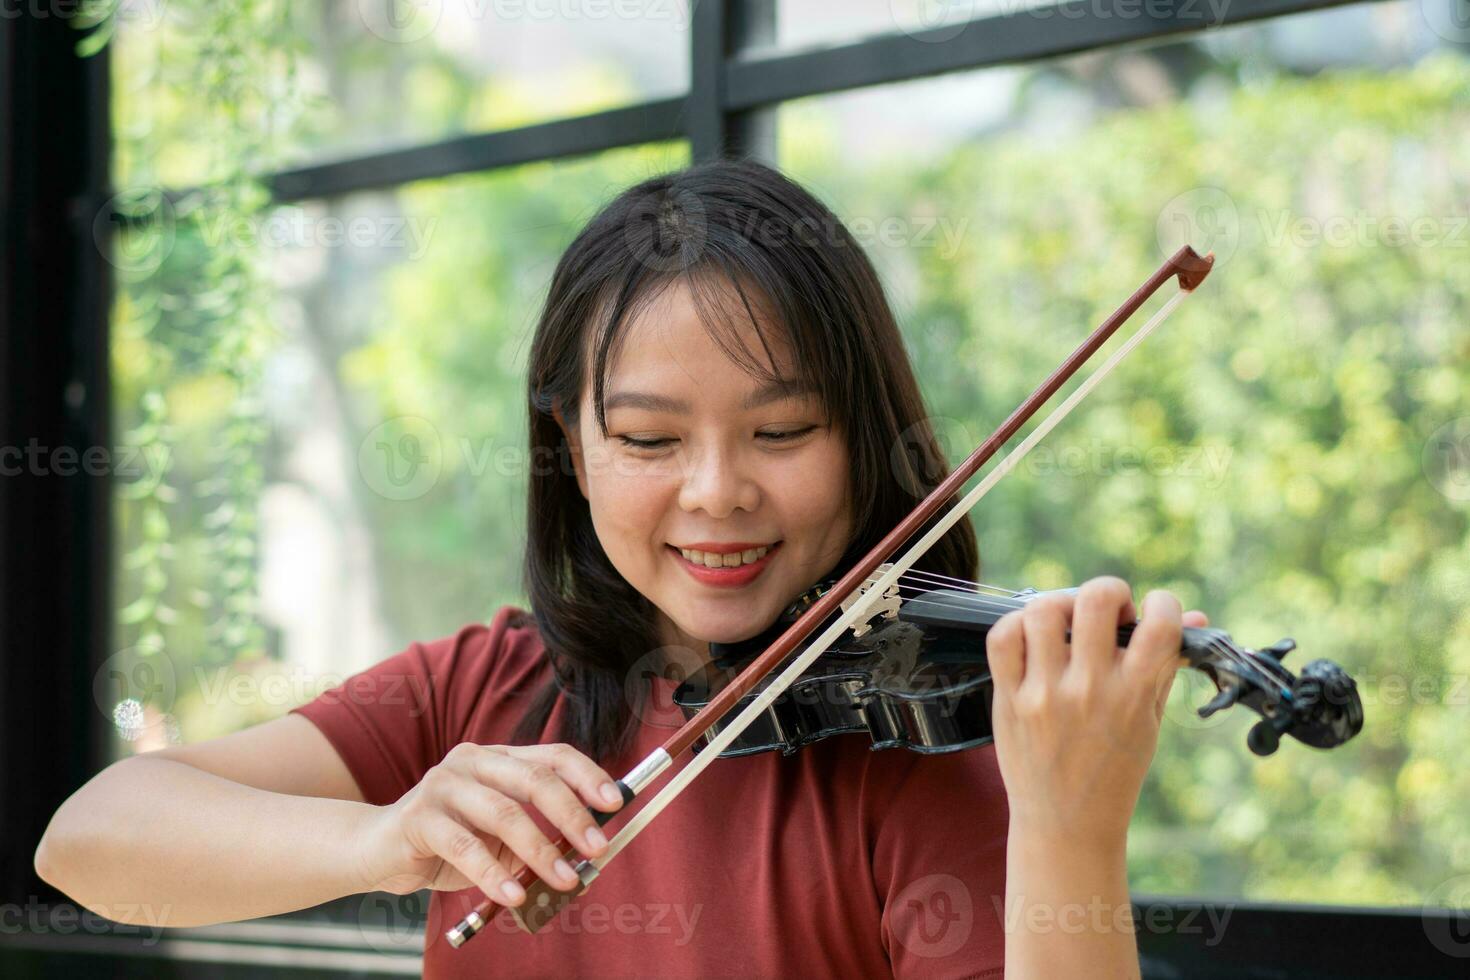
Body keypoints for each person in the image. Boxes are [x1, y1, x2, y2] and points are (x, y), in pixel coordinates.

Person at [35, 158, 1207, 978]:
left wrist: (1070, 829)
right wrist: (381, 839)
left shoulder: (919, 771)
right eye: (649, 439)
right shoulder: (482, 689)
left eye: (783, 430)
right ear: (571, 446)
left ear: (864, 435)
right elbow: (90, 840)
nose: (717, 490)